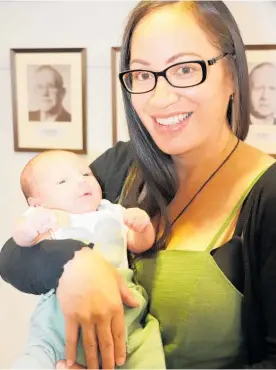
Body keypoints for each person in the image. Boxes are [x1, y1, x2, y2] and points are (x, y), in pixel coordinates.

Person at [2, 1, 276, 368]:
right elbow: (14, 257)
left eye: (184, 68)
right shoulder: (118, 167)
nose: (160, 98)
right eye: (142, 75)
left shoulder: (267, 197)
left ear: (232, 73)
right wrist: (75, 262)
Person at [11, 149, 165, 369]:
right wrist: (29, 226)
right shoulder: (50, 218)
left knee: (143, 348)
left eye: (85, 174)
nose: (81, 182)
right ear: (37, 203)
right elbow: (20, 239)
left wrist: (142, 227)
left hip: (122, 301)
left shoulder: (111, 211)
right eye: (63, 181)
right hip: (61, 311)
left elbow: (139, 243)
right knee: (42, 354)